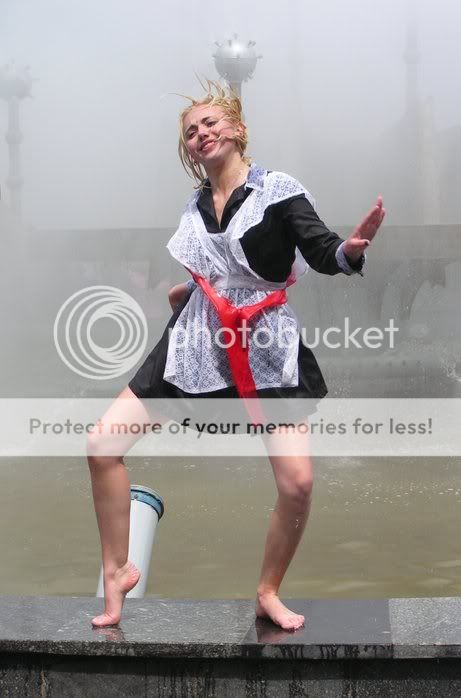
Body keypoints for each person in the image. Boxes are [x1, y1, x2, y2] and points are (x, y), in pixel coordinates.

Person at [87, 79, 385, 631]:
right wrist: (185, 294)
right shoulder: (196, 207)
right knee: (102, 444)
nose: (201, 133)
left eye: (211, 123)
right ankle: (117, 570)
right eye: (191, 132)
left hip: (265, 341)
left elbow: (320, 249)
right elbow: (213, 274)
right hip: (197, 338)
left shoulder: (278, 190)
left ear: (238, 129)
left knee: (297, 484)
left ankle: (268, 590)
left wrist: (348, 250)